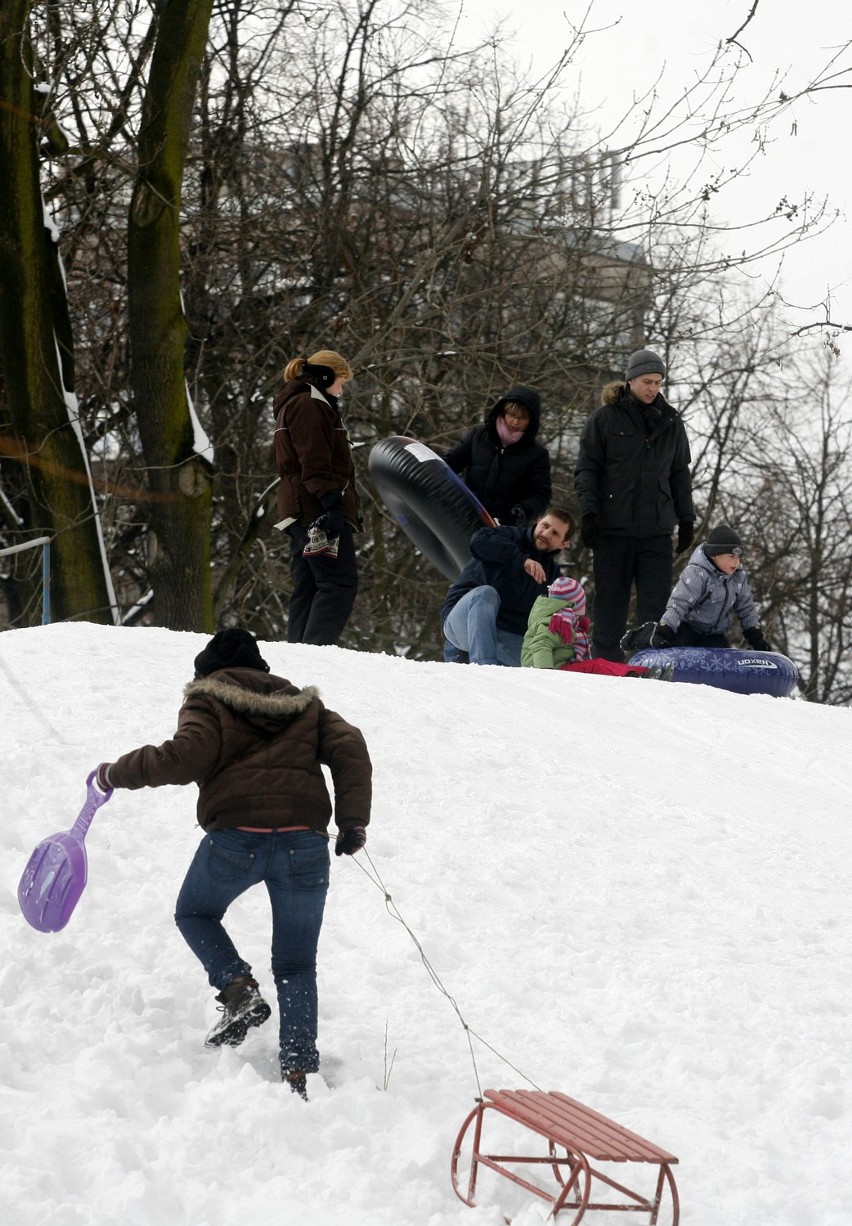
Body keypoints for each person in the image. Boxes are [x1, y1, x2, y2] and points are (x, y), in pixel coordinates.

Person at [93, 628, 372, 1100]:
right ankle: (300, 1072)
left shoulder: (208, 699)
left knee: (194, 912)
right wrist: (352, 822)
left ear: (207, 671)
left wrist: (113, 773)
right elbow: (350, 748)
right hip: (304, 842)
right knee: (297, 963)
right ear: (262, 669)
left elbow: (186, 756)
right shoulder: (305, 705)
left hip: (237, 836)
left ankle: (237, 987)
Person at [574, 348, 694, 662]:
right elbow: (588, 469)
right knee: (611, 602)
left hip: (656, 528)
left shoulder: (671, 421)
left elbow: (680, 473)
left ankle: (650, 664)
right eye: (646, 381)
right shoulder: (605, 418)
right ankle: (606, 664)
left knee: (655, 606)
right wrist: (589, 512)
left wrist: (687, 520)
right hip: (613, 528)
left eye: (657, 382)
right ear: (630, 380)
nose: (652, 387)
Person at [272, 350, 361, 645]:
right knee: (338, 583)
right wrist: (333, 505)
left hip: (300, 507)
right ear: (325, 376)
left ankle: (299, 652)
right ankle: (316, 654)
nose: (342, 389)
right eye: (341, 381)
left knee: (309, 584)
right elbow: (315, 461)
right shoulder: (310, 404)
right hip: (316, 509)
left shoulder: (296, 402)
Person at [440, 508, 572, 666]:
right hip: (464, 625)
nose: (546, 533)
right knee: (485, 594)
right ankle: (484, 669)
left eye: (555, 533)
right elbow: (478, 541)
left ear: (564, 544)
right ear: (537, 522)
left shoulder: (554, 578)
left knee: (543, 665)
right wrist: (521, 561)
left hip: (507, 637)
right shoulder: (510, 536)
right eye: (545, 525)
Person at [643, 523, 771, 651]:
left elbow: (746, 608)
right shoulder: (697, 573)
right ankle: (646, 635)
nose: (736, 562)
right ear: (715, 555)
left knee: (723, 661)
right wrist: (664, 630)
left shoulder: (738, 577)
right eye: (731, 557)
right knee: (676, 649)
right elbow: (679, 603)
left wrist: (757, 639)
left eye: (738, 557)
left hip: (714, 634)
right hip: (688, 629)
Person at [522, 575, 672, 679]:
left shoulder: (560, 618)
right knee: (598, 665)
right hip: (554, 670)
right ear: (573, 605)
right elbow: (541, 644)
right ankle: (638, 675)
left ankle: (644, 672)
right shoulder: (557, 620)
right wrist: (546, 675)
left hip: (558, 668)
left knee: (600, 664)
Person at [443, 386, 552, 526]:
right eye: (512, 415)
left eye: (523, 418)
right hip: (463, 516)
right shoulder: (478, 435)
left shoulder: (537, 455)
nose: (515, 422)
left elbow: (541, 495)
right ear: (503, 412)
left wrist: (524, 510)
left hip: (501, 528)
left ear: (531, 421)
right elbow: (450, 463)